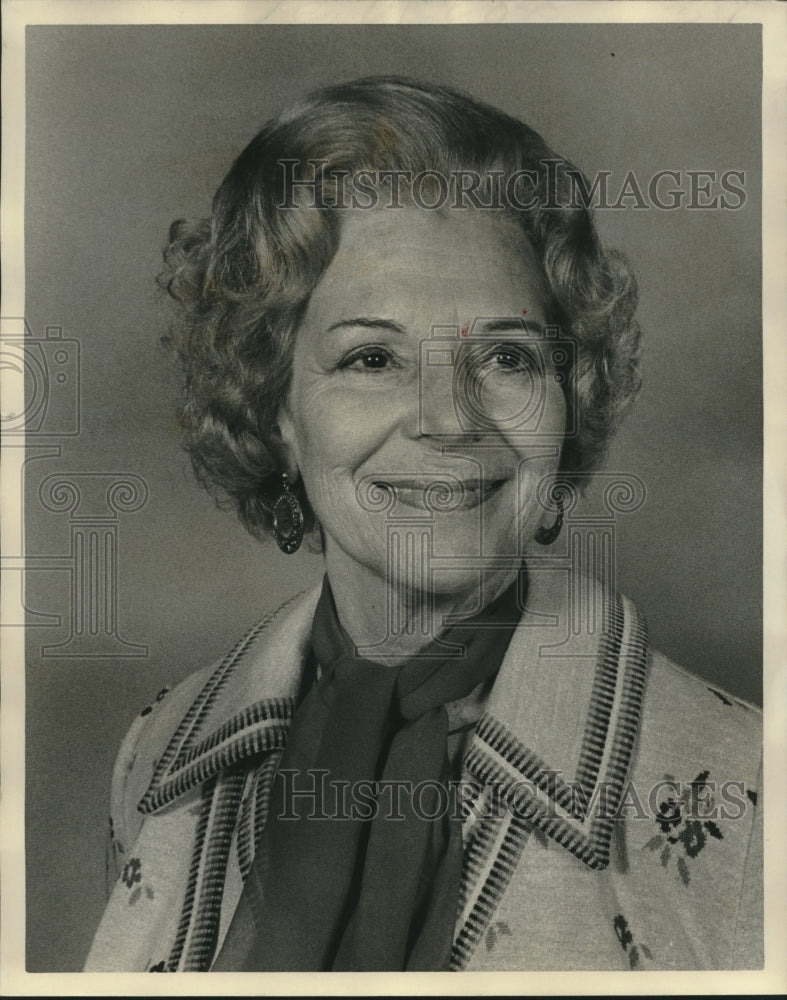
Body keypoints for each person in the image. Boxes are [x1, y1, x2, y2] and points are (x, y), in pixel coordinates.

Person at [84, 76, 762, 973]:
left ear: (566, 398)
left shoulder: (756, 792)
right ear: (273, 405)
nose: (449, 418)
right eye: (372, 357)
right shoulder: (158, 753)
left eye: (507, 357)